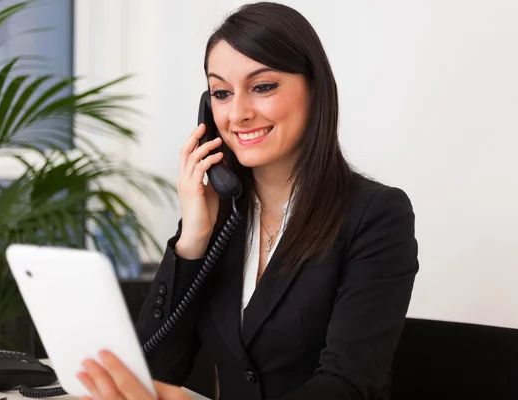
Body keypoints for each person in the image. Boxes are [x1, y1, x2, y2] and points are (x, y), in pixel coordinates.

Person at [76, 2, 419, 399]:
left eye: (262, 87)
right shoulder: (220, 215)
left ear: (315, 89)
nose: (237, 113)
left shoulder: (375, 215)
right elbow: (152, 373)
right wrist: (192, 241)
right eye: (221, 93)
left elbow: (347, 385)